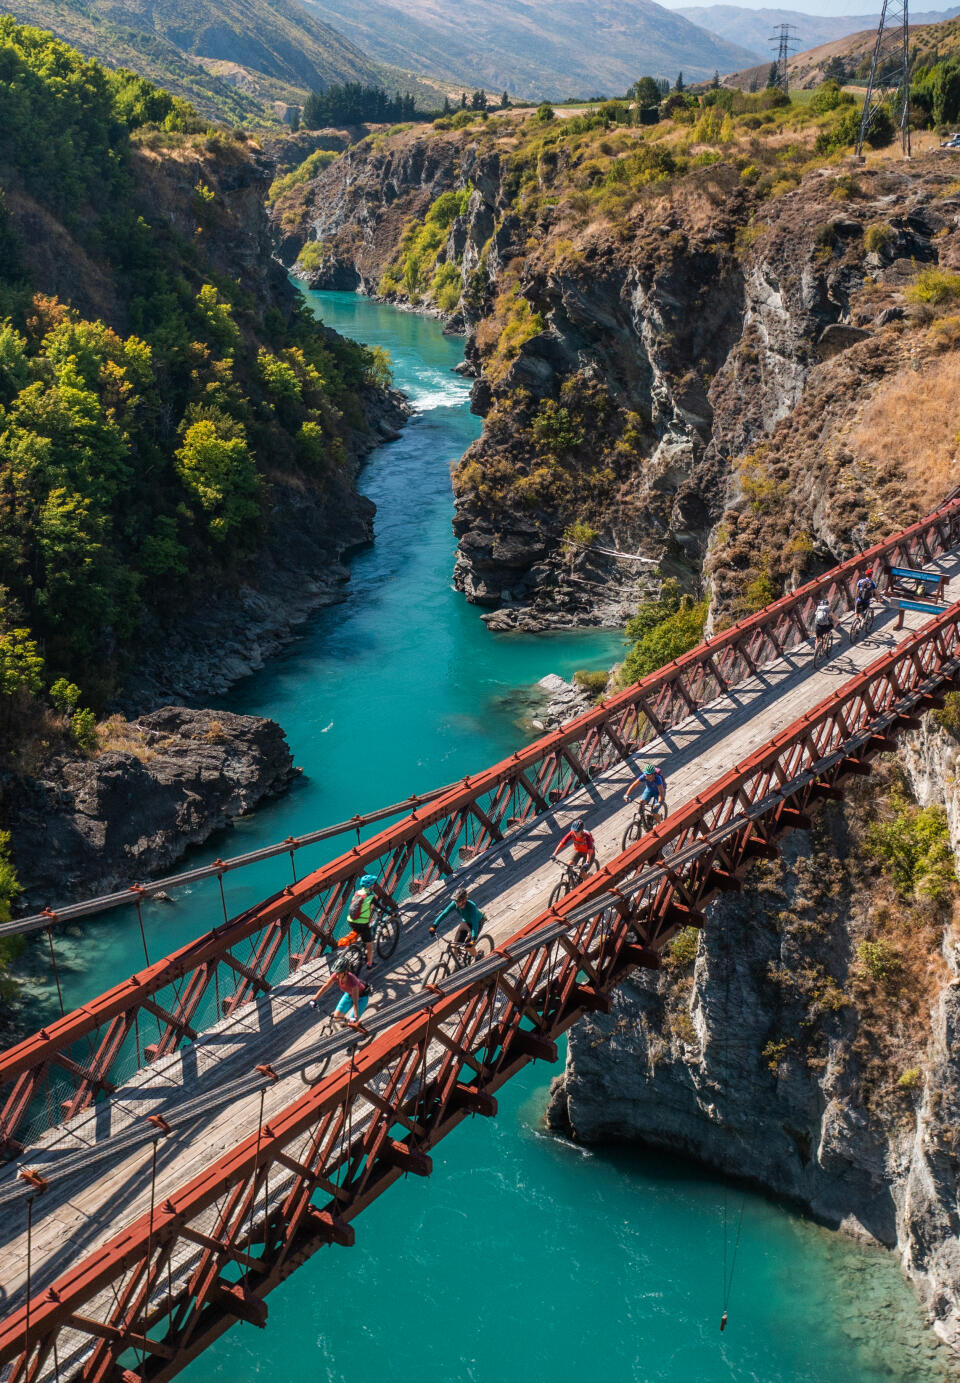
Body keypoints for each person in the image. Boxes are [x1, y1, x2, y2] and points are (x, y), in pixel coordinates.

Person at [308, 958, 370, 1032]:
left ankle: (360, 1032)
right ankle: (348, 1026)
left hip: (361, 998)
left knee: (352, 1023)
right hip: (349, 995)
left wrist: (355, 1018)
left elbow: (355, 1002)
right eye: (336, 972)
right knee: (337, 1017)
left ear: (345, 972)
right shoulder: (336, 975)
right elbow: (325, 987)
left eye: (339, 973)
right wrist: (314, 999)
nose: (336, 975)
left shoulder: (353, 981)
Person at [430, 887, 486, 958]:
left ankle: (478, 956)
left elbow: (475, 923)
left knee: (468, 947)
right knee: (454, 947)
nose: (456, 903)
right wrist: (434, 925)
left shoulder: (471, 906)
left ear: (464, 900)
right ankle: (458, 965)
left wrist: (473, 938)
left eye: (458, 901)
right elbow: (444, 914)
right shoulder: (454, 904)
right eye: (455, 901)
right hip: (466, 922)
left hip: (477, 922)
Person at [345, 872, 379, 971]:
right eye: (374, 883)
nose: (374, 885)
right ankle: (369, 964)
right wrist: (391, 914)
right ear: (370, 885)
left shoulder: (357, 893)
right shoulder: (370, 897)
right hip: (362, 923)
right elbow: (380, 907)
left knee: (358, 932)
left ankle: (354, 947)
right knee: (369, 945)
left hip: (350, 920)